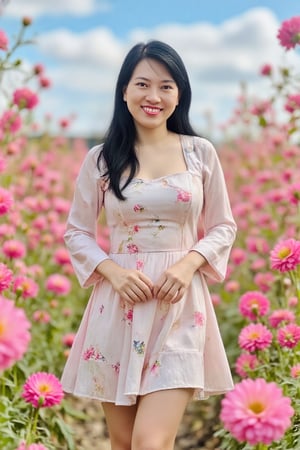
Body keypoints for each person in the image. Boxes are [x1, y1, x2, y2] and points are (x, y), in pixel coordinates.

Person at [61, 40, 237, 450]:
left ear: (180, 95)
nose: (153, 97)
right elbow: (76, 231)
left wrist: (190, 262)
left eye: (166, 86)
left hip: (179, 307)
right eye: (142, 84)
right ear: (124, 91)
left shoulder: (200, 153)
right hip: (118, 305)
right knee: (124, 443)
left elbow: (223, 226)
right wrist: (114, 272)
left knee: (150, 442)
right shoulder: (102, 159)